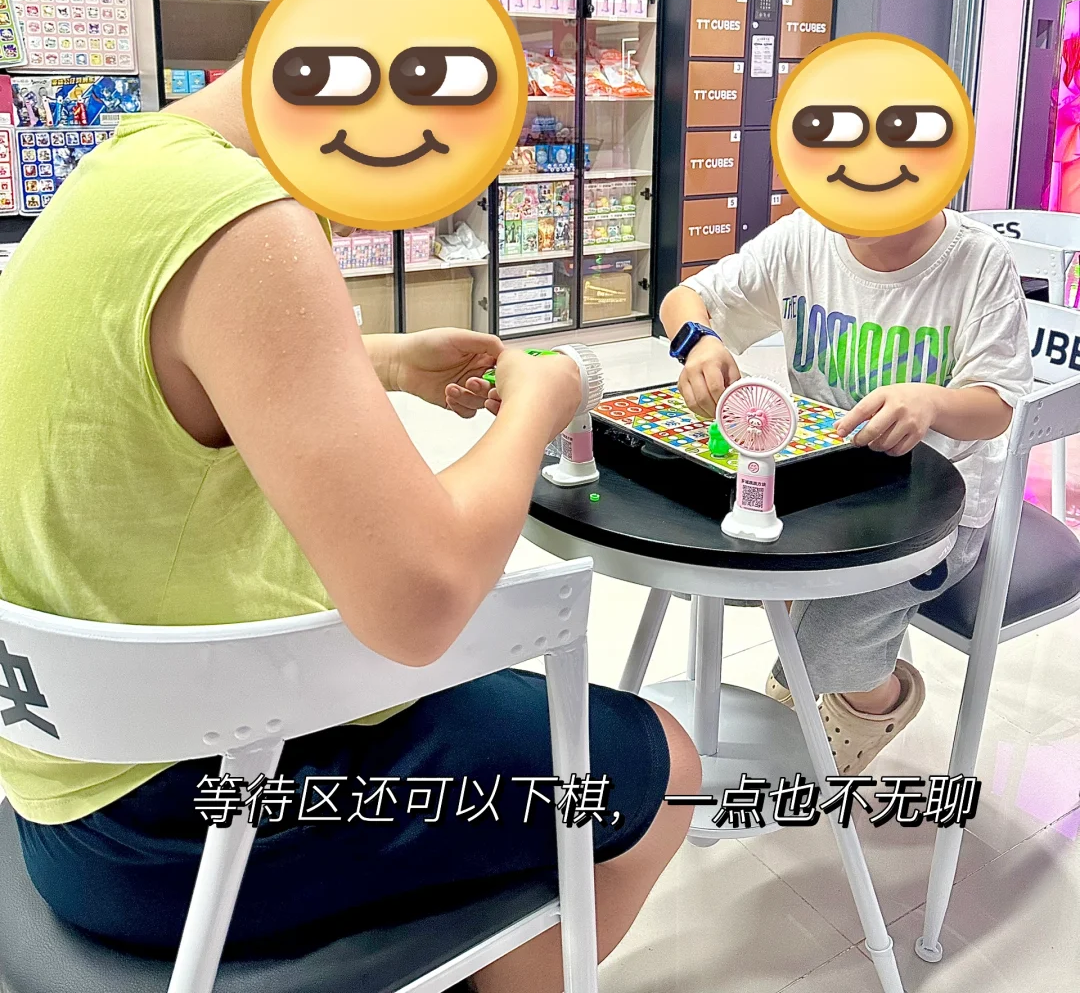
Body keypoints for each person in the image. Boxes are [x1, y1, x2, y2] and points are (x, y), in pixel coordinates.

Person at [0, 63, 700, 987]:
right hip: (186, 825)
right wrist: (540, 406)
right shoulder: (248, 218)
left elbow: (166, 369)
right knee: (665, 766)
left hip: (62, 786)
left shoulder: (129, 168)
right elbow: (424, 600)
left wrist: (377, 360)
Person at [660, 205, 1032, 772]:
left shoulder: (977, 259)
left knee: (827, 642)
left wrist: (932, 402)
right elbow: (686, 298)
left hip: (932, 508)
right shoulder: (804, 236)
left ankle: (878, 702)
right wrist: (700, 342)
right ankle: (814, 675)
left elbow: (998, 406)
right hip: (817, 488)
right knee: (718, 568)